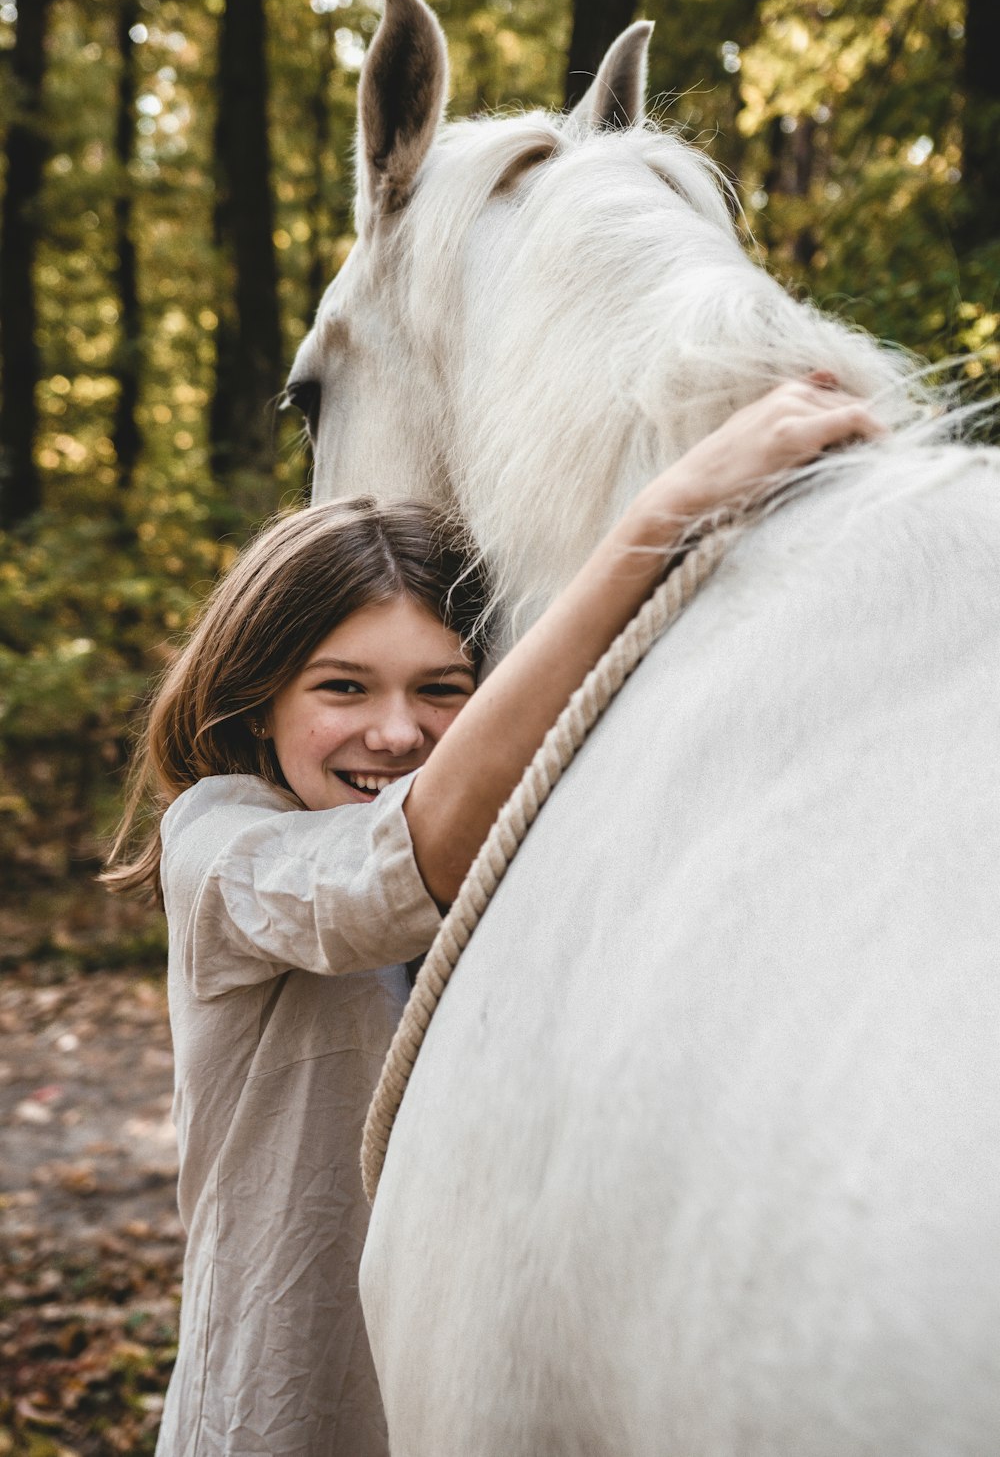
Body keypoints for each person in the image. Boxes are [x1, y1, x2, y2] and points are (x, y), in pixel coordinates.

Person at [104, 378, 881, 1457]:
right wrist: (658, 524)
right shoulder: (220, 844)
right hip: (296, 1405)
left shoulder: (529, 854)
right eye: (341, 687)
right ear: (259, 697)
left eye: (442, 688)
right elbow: (384, 878)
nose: (395, 730)